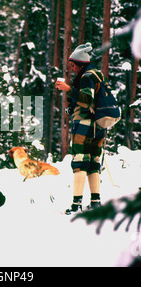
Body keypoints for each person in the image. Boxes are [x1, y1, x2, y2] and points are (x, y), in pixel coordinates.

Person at [55, 42, 107, 214]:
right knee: (93, 162)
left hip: (84, 124)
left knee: (80, 161)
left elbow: (86, 100)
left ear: (80, 64)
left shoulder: (86, 77)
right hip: (98, 125)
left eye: (73, 65)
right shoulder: (97, 74)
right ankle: (95, 202)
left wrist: (68, 89)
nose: (71, 69)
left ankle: (76, 205)